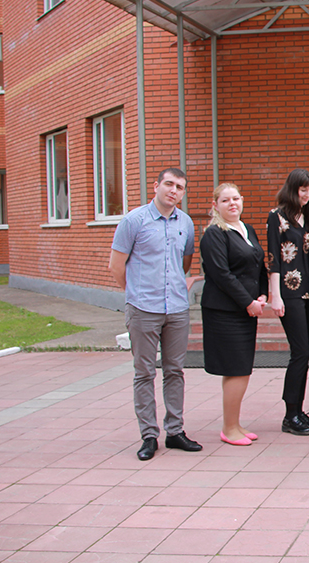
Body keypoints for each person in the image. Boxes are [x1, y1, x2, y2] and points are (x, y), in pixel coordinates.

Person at [109, 167, 202, 461]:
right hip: (143, 309)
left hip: (176, 309)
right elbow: (116, 265)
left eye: (180, 187)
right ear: (156, 186)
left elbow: (184, 263)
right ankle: (149, 435)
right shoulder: (133, 221)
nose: (174, 191)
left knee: (175, 371)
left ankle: (175, 431)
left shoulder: (185, 223)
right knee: (144, 373)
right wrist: (136, 294)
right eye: (169, 184)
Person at [199, 183, 268, 446]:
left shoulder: (246, 229)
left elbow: (258, 265)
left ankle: (235, 423)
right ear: (215, 205)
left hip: (245, 310)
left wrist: (262, 295)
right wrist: (248, 302)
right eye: (225, 200)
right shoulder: (214, 234)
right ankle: (229, 429)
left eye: (236, 198)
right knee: (236, 369)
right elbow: (221, 274)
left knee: (241, 369)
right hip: (225, 312)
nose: (232, 204)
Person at [267, 169, 309, 437]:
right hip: (289, 292)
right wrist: (274, 295)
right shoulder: (276, 217)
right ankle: (290, 415)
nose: (307, 194)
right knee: (300, 352)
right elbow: (273, 258)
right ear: (292, 188)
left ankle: (298, 411)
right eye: (303, 189)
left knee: (304, 353)